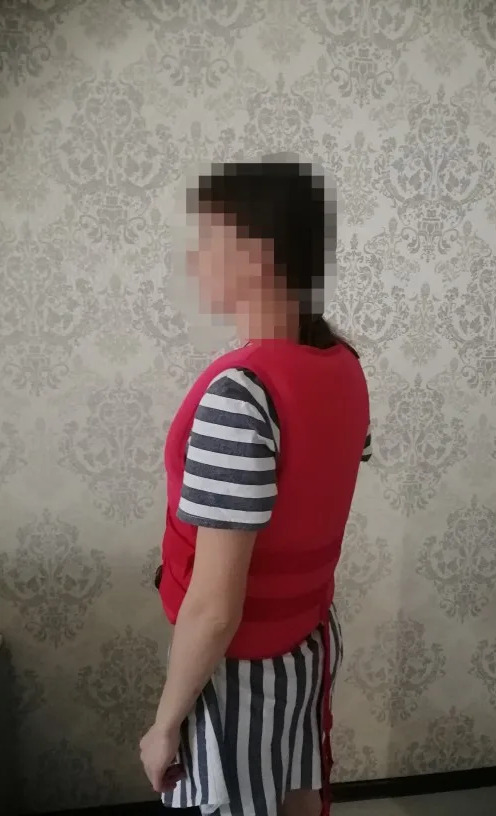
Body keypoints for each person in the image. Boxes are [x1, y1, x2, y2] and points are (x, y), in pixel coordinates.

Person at [139, 158, 371, 816]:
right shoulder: (343, 368)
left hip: (238, 671)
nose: (193, 261)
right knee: (297, 795)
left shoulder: (240, 395)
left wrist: (164, 726)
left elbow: (215, 608)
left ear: (259, 255)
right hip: (307, 647)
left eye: (207, 240)